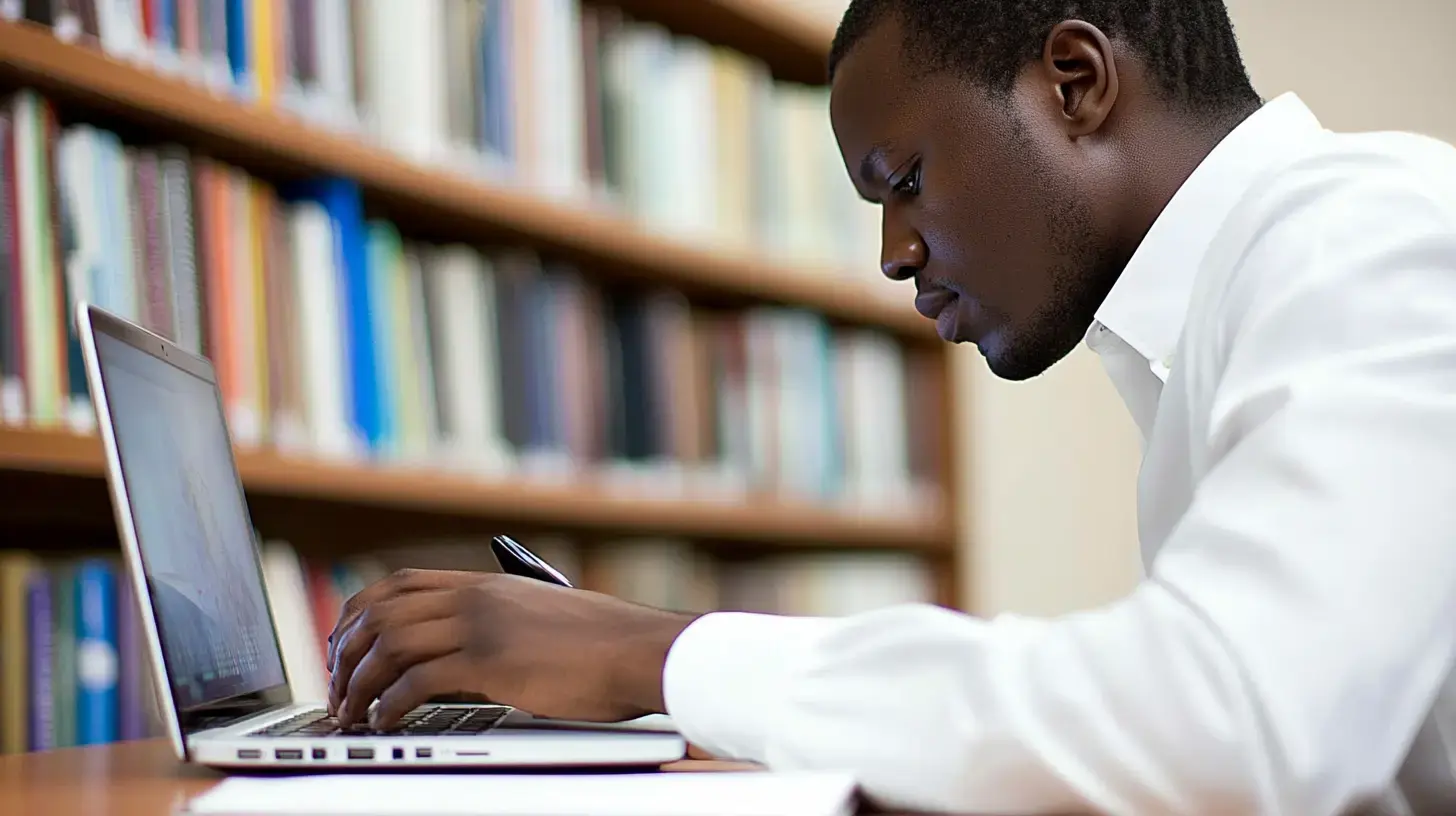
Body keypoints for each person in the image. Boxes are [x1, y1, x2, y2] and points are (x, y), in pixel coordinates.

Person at [323, 1, 1456, 813]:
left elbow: (1226, 733)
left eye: (901, 179)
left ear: (1075, 81)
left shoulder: (1370, 238)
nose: (892, 253)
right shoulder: (1226, 304)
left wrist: (655, 656)